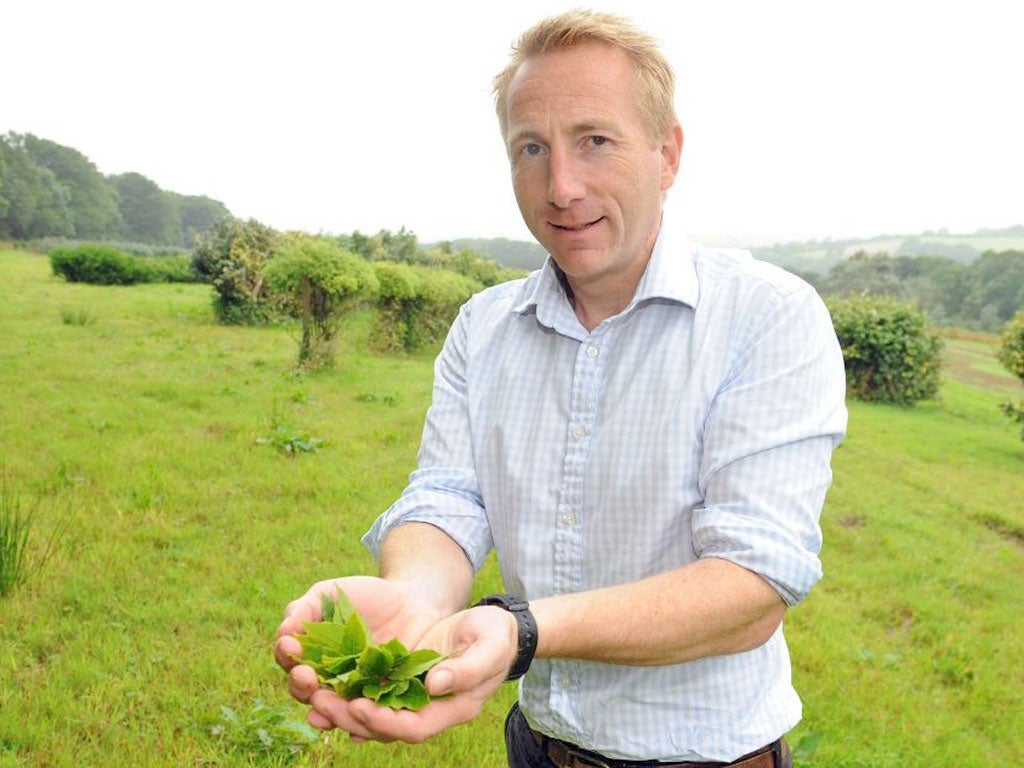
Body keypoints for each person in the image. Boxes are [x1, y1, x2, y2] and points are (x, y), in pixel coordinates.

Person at [275, 9, 847, 767]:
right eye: (531, 148)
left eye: (595, 140)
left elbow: (753, 586)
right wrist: (416, 595)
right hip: (539, 746)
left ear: (667, 153)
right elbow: (449, 495)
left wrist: (522, 629)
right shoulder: (483, 325)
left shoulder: (767, 316)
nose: (561, 187)